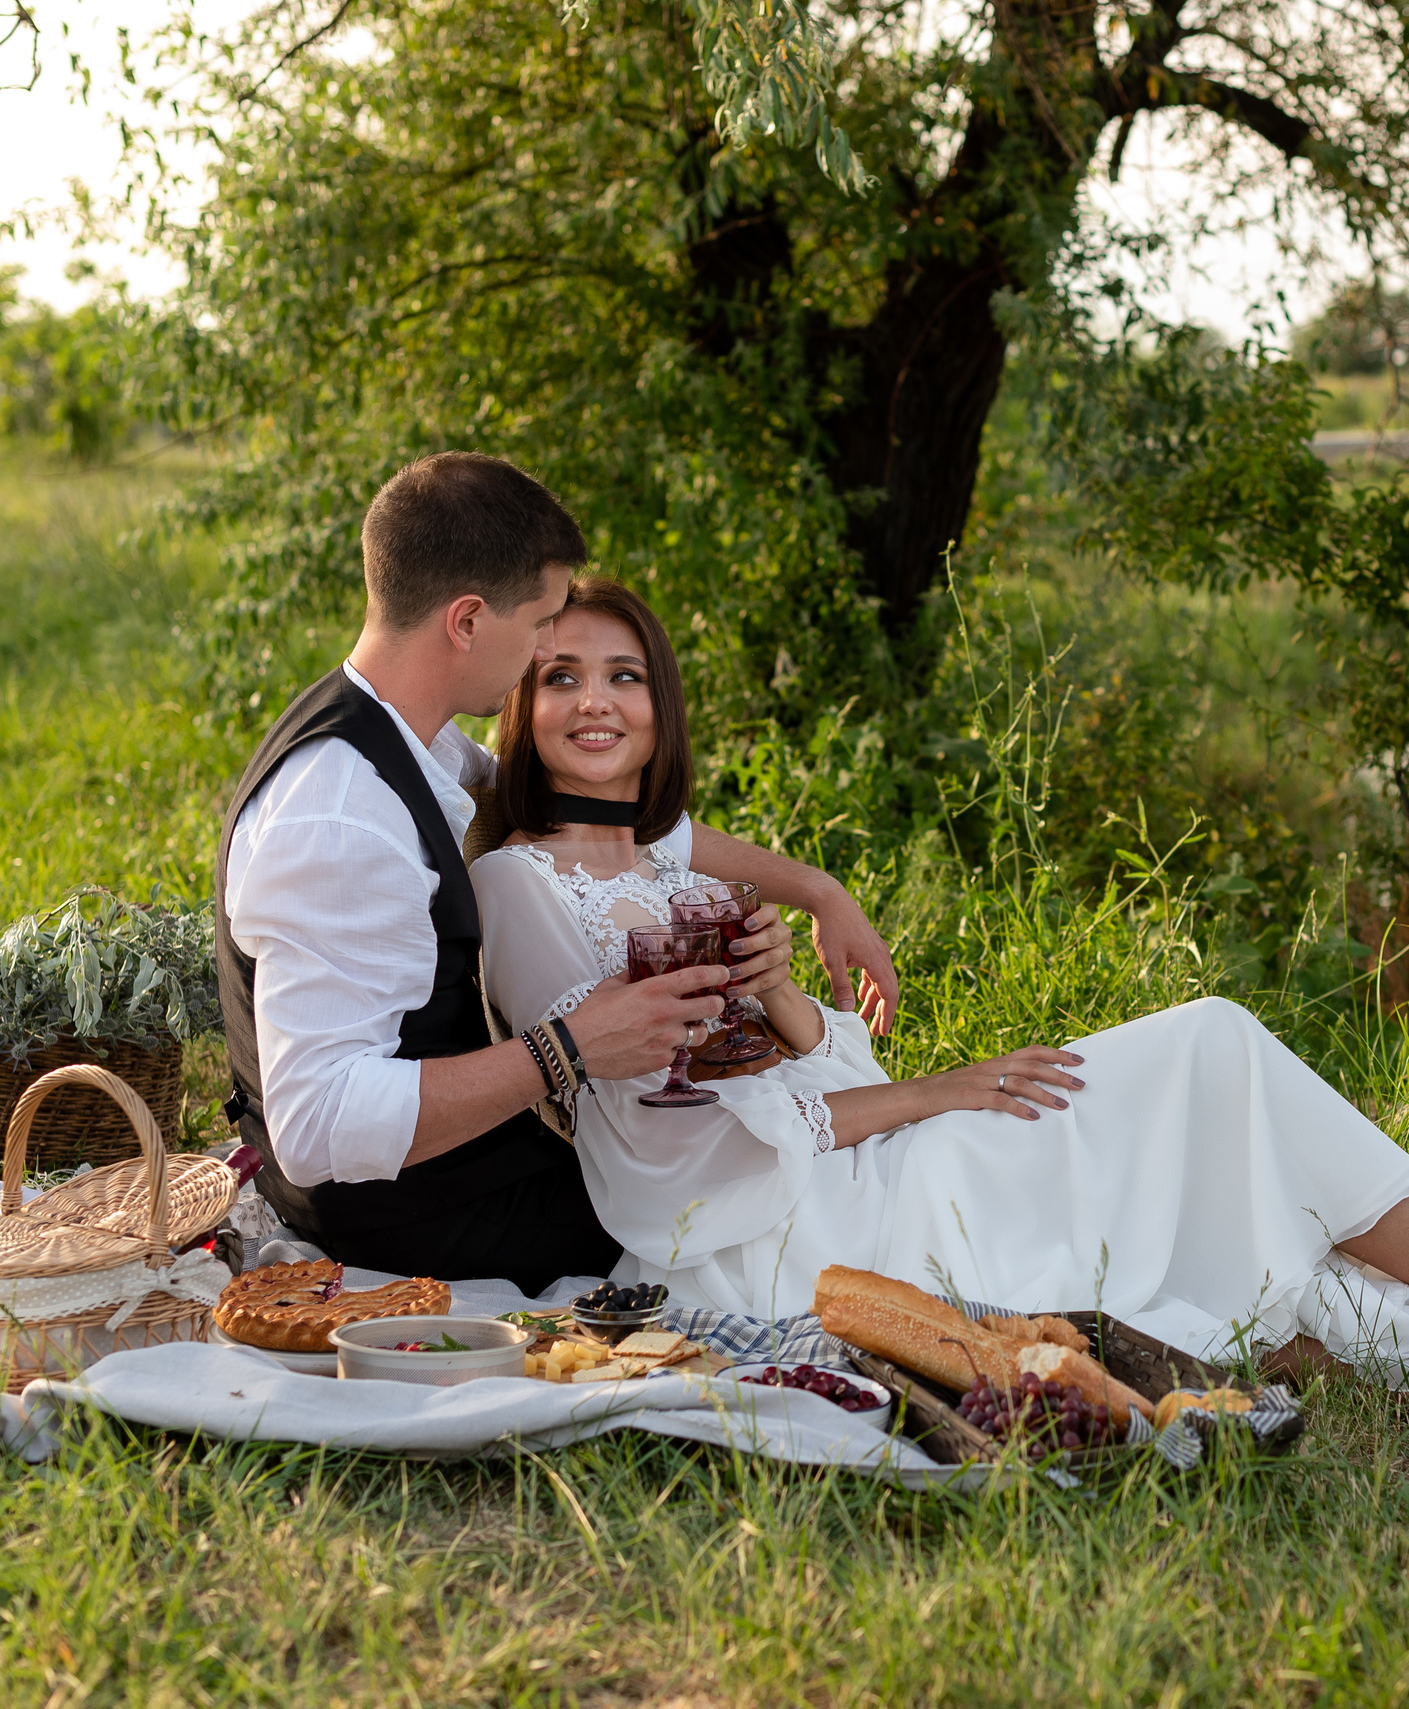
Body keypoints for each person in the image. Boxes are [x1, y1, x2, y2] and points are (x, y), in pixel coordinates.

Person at [472, 578, 1409, 1440]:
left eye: (628, 675)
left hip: (847, 1160)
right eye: (564, 676)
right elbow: (679, 1158)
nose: (600, 701)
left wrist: (814, 934)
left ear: (661, 703)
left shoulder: (647, 855)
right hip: (788, 1236)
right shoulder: (532, 890)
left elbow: (753, 989)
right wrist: (933, 1088)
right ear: (519, 703)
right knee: (1208, 1046)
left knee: (1277, 1273)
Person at [216, 453, 901, 1295]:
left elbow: (616, 816)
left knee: (786, 1181)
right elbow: (316, 1126)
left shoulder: (404, 733)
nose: (550, 645)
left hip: (470, 1164)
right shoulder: (341, 817)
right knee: (732, 1227)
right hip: (403, 1211)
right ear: (467, 620)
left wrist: (816, 889)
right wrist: (566, 1050)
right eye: (541, 624)